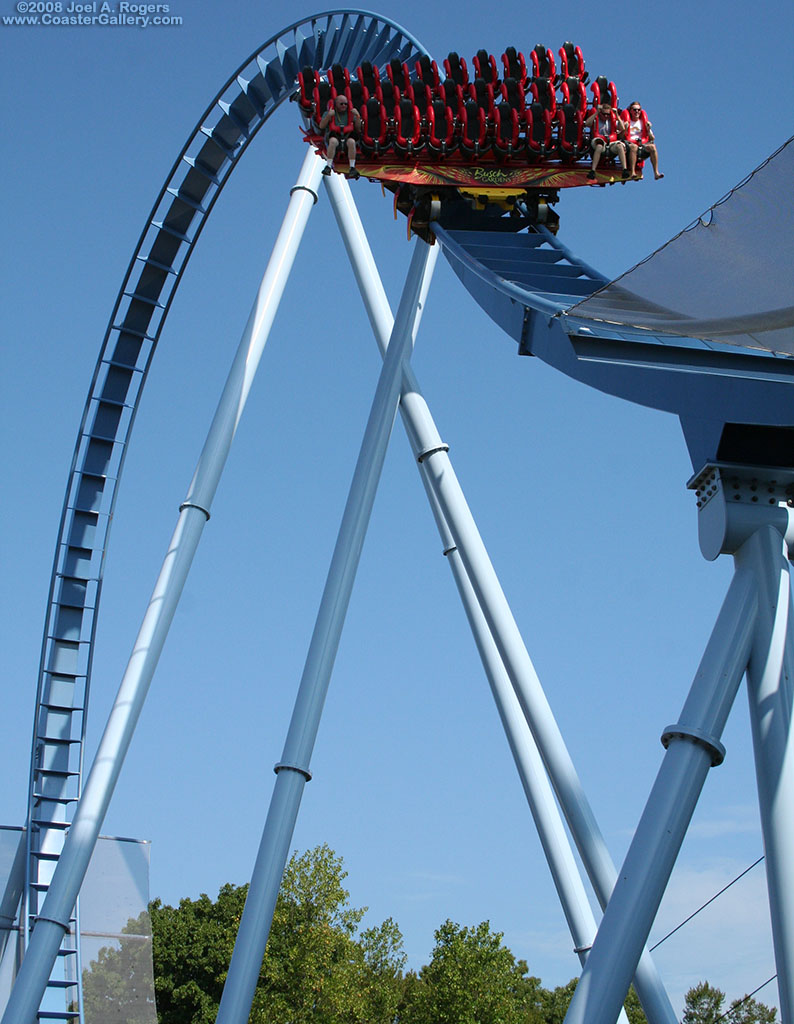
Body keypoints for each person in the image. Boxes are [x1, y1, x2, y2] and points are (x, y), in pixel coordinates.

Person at [319, 94, 362, 179]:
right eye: (341, 104)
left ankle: (352, 167)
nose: (344, 106)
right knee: (333, 141)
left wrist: (357, 116)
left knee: (351, 142)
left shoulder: (350, 114)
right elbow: (321, 126)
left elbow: (358, 129)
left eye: (345, 104)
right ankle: (328, 166)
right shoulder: (329, 113)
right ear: (336, 104)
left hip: (347, 136)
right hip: (334, 136)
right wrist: (329, 116)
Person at [584, 101, 629, 181]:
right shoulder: (596, 119)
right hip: (599, 141)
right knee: (599, 146)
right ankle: (593, 170)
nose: (606, 116)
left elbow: (622, 128)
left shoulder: (612, 119)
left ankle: (624, 169)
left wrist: (617, 115)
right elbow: (587, 123)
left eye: (608, 114)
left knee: (620, 146)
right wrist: (597, 112)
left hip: (611, 142)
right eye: (604, 114)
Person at [623, 101, 663, 179]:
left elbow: (652, 138)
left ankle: (656, 172)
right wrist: (624, 129)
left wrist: (648, 130)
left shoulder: (643, 122)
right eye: (634, 109)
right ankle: (633, 172)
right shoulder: (627, 121)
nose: (637, 111)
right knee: (633, 147)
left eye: (639, 110)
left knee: (653, 147)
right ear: (630, 110)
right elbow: (620, 136)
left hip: (642, 144)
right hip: (630, 145)